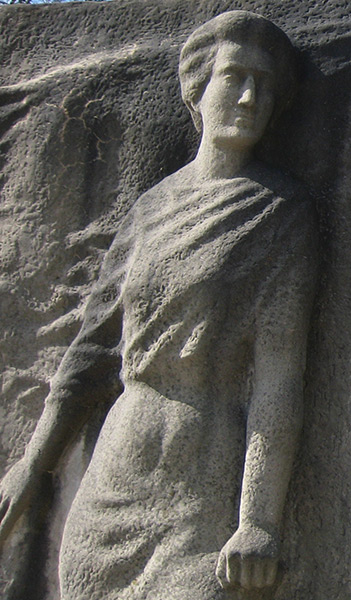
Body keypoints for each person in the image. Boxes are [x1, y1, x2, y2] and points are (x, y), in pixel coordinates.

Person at [0, 11, 316, 598]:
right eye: (235, 77)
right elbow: (91, 350)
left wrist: (258, 521)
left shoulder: (278, 213)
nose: (250, 97)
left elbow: (278, 378)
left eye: (266, 86)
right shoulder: (150, 210)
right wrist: (34, 461)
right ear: (198, 90)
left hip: (202, 472)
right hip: (118, 461)